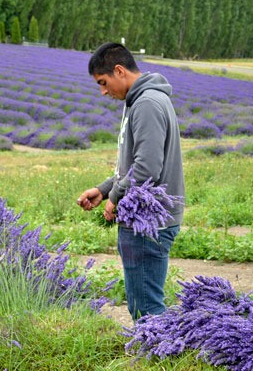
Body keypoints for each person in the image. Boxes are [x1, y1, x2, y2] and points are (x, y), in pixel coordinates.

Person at [76, 42, 185, 321]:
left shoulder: (146, 103)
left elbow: (147, 168)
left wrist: (115, 197)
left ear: (119, 71)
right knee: (143, 304)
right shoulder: (138, 101)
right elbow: (133, 164)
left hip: (147, 222)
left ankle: (158, 360)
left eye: (103, 82)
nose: (102, 91)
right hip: (144, 218)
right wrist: (104, 189)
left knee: (146, 310)